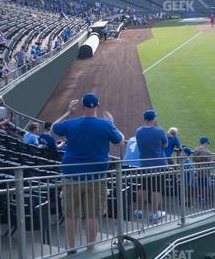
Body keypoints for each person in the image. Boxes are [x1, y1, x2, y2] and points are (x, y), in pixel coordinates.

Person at [51, 93, 124, 254]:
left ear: (82, 107)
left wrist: (68, 113)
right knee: (92, 214)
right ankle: (90, 247)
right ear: (97, 106)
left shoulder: (71, 123)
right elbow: (120, 142)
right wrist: (112, 124)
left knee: (71, 215)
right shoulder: (106, 124)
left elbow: (53, 129)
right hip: (96, 177)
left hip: (71, 176)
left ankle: (71, 248)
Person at [134, 109, 167, 223]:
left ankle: (139, 210)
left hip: (144, 164)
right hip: (158, 165)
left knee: (143, 187)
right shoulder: (160, 131)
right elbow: (165, 144)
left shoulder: (138, 131)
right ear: (154, 119)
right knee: (156, 189)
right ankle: (154, 213)